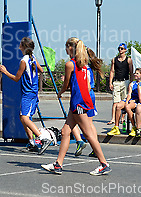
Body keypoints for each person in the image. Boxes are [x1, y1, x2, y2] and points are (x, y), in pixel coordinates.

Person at [42, 38, 110, 175]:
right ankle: (58, 164)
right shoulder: (84, 64)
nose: (65, 50)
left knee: (88, 134)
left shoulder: (70, 65)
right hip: (81, 101)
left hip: (78, 102)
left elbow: (66, 84)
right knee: (65, 132)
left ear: (70, 48)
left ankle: (104, 164)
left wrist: (60, 92)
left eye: (66, 48)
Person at [0, 37, 52, 155]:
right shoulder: (32, 58)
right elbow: (41, 70)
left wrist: (5, 71)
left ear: (22, 47)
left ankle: (42, 137)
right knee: (24, 117)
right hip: (32, 92)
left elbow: (16, 78)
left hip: (28, 93)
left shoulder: (23, 61)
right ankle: (32, 141)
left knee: (24, 118)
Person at [107, 68, 141, 136]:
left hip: (137, 100)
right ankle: (116, 127)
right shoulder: (132, 83)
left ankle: (134, 127)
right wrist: (126, 101)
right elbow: (129, 94)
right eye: (135, 73)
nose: (135, 74)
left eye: (137, 73)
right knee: (118, 106)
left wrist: (134, 100)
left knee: (127, 107)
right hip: (130, 98)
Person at [107, 43, 133, 125]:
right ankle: (113, 118)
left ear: (125, 50)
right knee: (115, 101)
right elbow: (112, 71)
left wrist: (131, 83)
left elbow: (131, 72)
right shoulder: (114, 60)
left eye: (122, 48)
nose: (120, 50)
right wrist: (110, 82)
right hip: (117, 82)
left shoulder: (129, 60)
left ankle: (122, 118)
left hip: (125, 82)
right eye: (119, 48)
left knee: (124, 101)